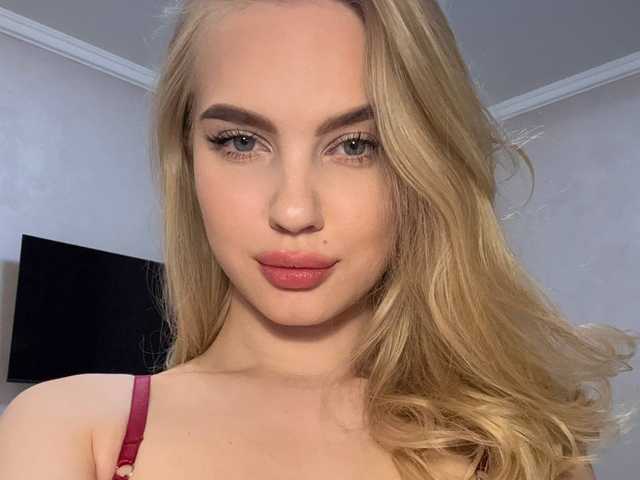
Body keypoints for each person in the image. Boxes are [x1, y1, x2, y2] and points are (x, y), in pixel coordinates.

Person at [0, 1, 636, 478]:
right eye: (240, 141)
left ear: (422, 166)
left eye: (356, 145)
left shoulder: (521, 445)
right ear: (187, 159)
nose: (294, 210)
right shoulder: (74, 430)